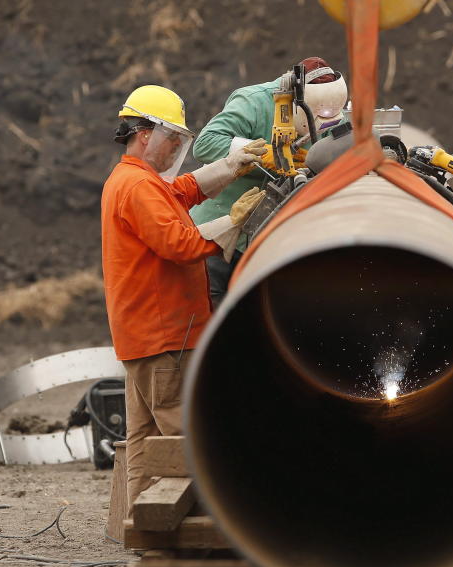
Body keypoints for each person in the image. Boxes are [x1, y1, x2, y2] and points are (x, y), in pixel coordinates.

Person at [101, 84, 266, 514]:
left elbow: (185, 191)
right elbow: (180, 244)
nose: (177, 147)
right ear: (145, 135)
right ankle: (193, 527)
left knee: (143, 439)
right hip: (164, 336)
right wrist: (231, 223)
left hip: (143, 337)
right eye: (173, 138)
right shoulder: (138, 187)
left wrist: (232, 165)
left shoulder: (139, 180)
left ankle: (141, 526)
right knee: (180, 436)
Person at [191, 56, 348, 305]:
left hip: (269, 237)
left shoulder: (332, 110)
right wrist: (261, 155)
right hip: (220, 232)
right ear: (297, 103)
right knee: (212, 312)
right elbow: (205, 144)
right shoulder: (253, 102)